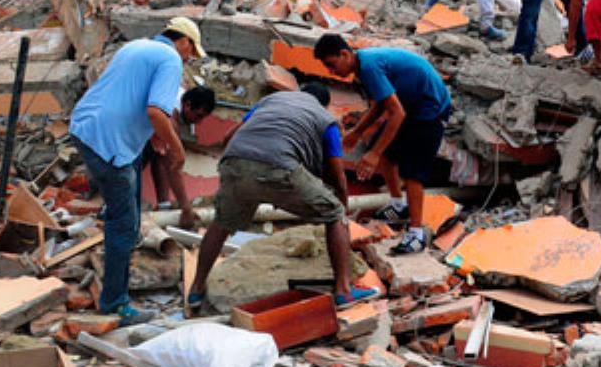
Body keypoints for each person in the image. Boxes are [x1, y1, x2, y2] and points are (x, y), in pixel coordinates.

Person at [187, 83, 379, 312]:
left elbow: (230, 135)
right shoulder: (324, 119)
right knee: (335, 213)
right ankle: (344, 292)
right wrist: (342, 210)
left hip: (234, 162)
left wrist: (236, 168)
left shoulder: (271, 101)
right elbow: (337, 175)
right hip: (280, 165)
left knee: (221, 223)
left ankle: (196, 290)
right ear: (324, 104)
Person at [70, 17, 205, 325]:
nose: (188, 58)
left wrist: (157, 134)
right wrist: (177, 147)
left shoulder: (136, 46)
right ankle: (115, 304)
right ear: (182, 40)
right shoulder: (170, 58)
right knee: (126, 225)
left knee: (125, 197)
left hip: (85, 126)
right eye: (190, 51)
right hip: (109, 143)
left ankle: (111, 223)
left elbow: (135, 98)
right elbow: (155, 111)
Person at [315, 35, 452, 255]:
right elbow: (382, 103)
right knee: (388, 154)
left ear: (344, 54)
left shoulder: (369, 67)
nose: (331, 72)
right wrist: (357, 132)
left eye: (331, 65)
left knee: (413, 173)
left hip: (430, 110)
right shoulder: (363, 66)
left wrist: (373, 154)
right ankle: (398, 206)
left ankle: (416, 234)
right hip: (410, 105)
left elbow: (396, 112)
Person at [144, 86, 216, 228]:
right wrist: (186, 208)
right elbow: (172, 167)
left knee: (159, 152)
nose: (199, 122)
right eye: (198, 116)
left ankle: (163, 204)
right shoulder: (170, 114)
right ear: (187, 105)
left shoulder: (183, 99)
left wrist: (164, 206)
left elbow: (161, 158)